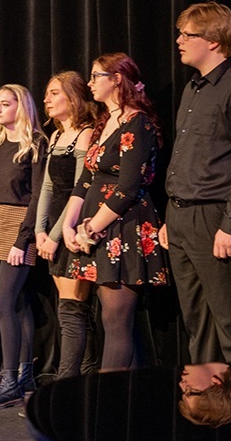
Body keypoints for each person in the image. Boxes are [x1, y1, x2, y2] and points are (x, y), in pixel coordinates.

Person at [164, 1, 231, 364]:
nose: (178, 40)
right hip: (179, 216)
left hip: (214, 217)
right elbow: (187, 155)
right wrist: (170, 216)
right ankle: (207, 401)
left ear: (213, 40)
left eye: (187, 34)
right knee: (197, 320)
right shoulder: (193, 89)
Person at [63, 53, 168, 371]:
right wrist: (69, 226)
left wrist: (91, 228)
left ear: (117, 79)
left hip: (123, 227)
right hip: (96, 228)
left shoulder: (139, 123)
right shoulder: (103, 123)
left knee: (116, 319)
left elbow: (128, 187)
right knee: (107, 317)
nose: (91, 82)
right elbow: (84, 181)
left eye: (96, 76)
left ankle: (107, 407)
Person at [0, 84, 47, 409]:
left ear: (22, 107)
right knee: (18, 303)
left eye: (6, 103)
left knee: (2, 302)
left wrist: (23, 239)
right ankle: (25, 375)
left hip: (22, 225)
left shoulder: (36, 144)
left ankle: (8, 381)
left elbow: (37, 197)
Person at [34, 71, 99, 380]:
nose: (47, 99)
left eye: (54, 93)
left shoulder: (86, 134)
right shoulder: (58, 135)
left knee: (72, 311)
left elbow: (80, 190)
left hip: (72, 229)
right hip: (53, 233)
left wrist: (57, 235)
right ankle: (84, 379)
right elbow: (47, 188)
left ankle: (65, 386)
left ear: (73, 98)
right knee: (71, 311)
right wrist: (39, 231)